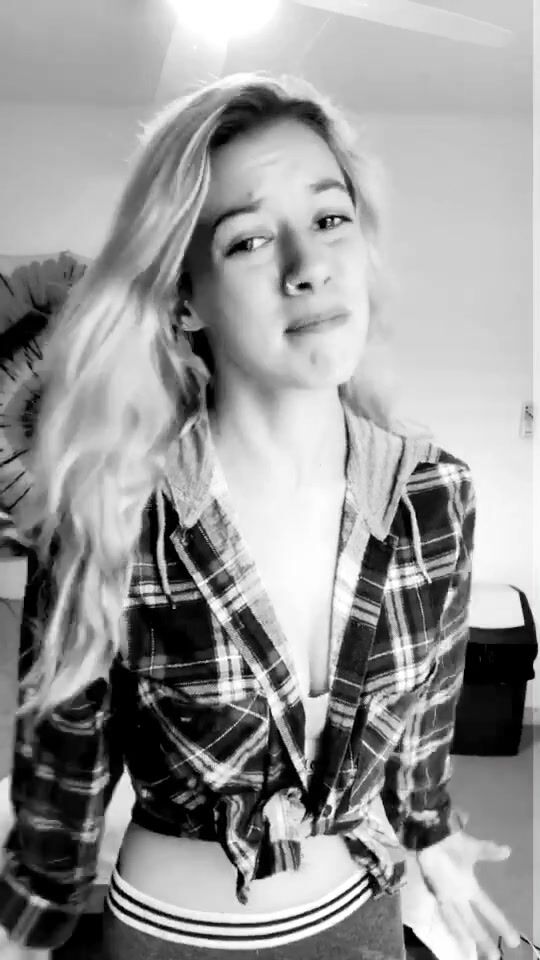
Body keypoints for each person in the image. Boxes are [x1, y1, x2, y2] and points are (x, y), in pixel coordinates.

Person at [0, 72, 521, 960]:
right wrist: (23, 936)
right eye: (247, 240)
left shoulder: (437, 496)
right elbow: (62, 788)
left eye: (330, 218)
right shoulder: (108, 510)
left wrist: (432, 840)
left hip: (361, 916)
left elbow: (425, 735)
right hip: (171, 934)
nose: (308, 265)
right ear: (184, 298)